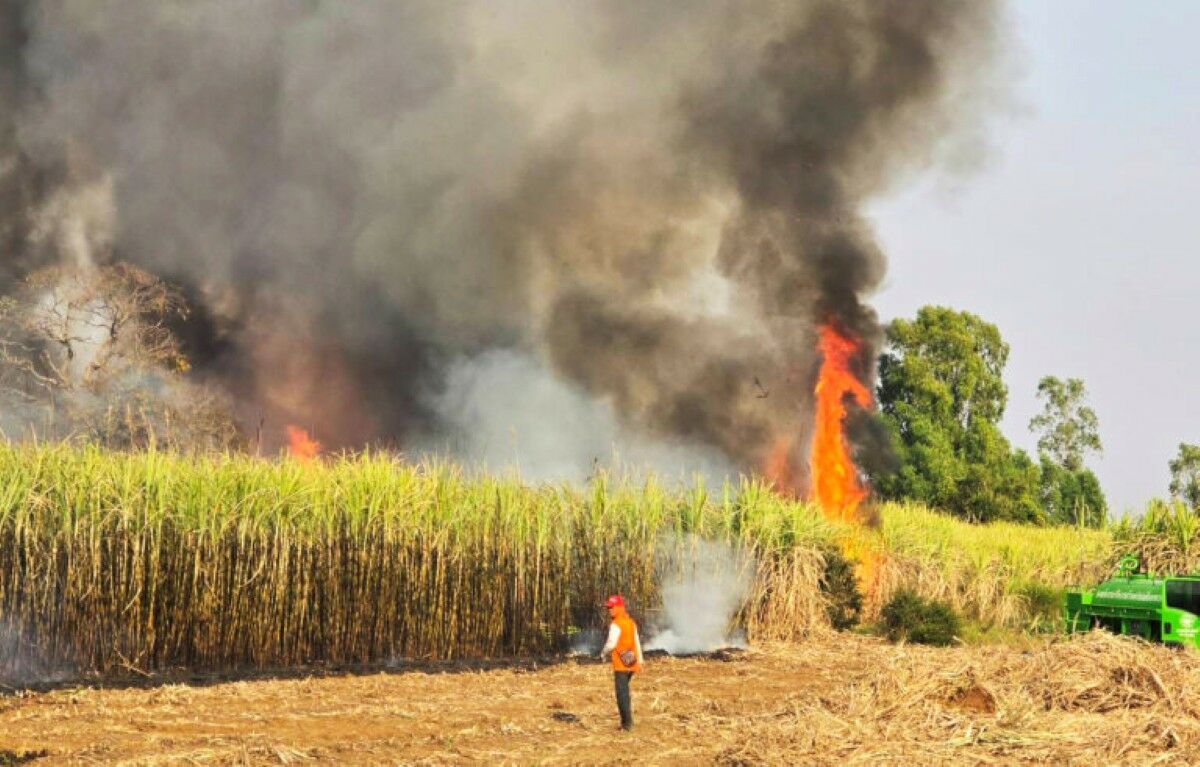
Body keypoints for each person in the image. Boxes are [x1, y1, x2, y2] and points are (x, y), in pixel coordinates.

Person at [599, 594, 643, 730]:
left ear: (619, 607)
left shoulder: (616, 624)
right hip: (632, 662)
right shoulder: (631, 622)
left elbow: (611, 644)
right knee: (625, 691)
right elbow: (637, 642)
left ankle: (627, 724)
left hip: (621, 665)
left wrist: (602, 653)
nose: (610, 610)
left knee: (621, 693)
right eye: (608, 608)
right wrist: (640, 661)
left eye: (612, 607)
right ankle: (628, 722)